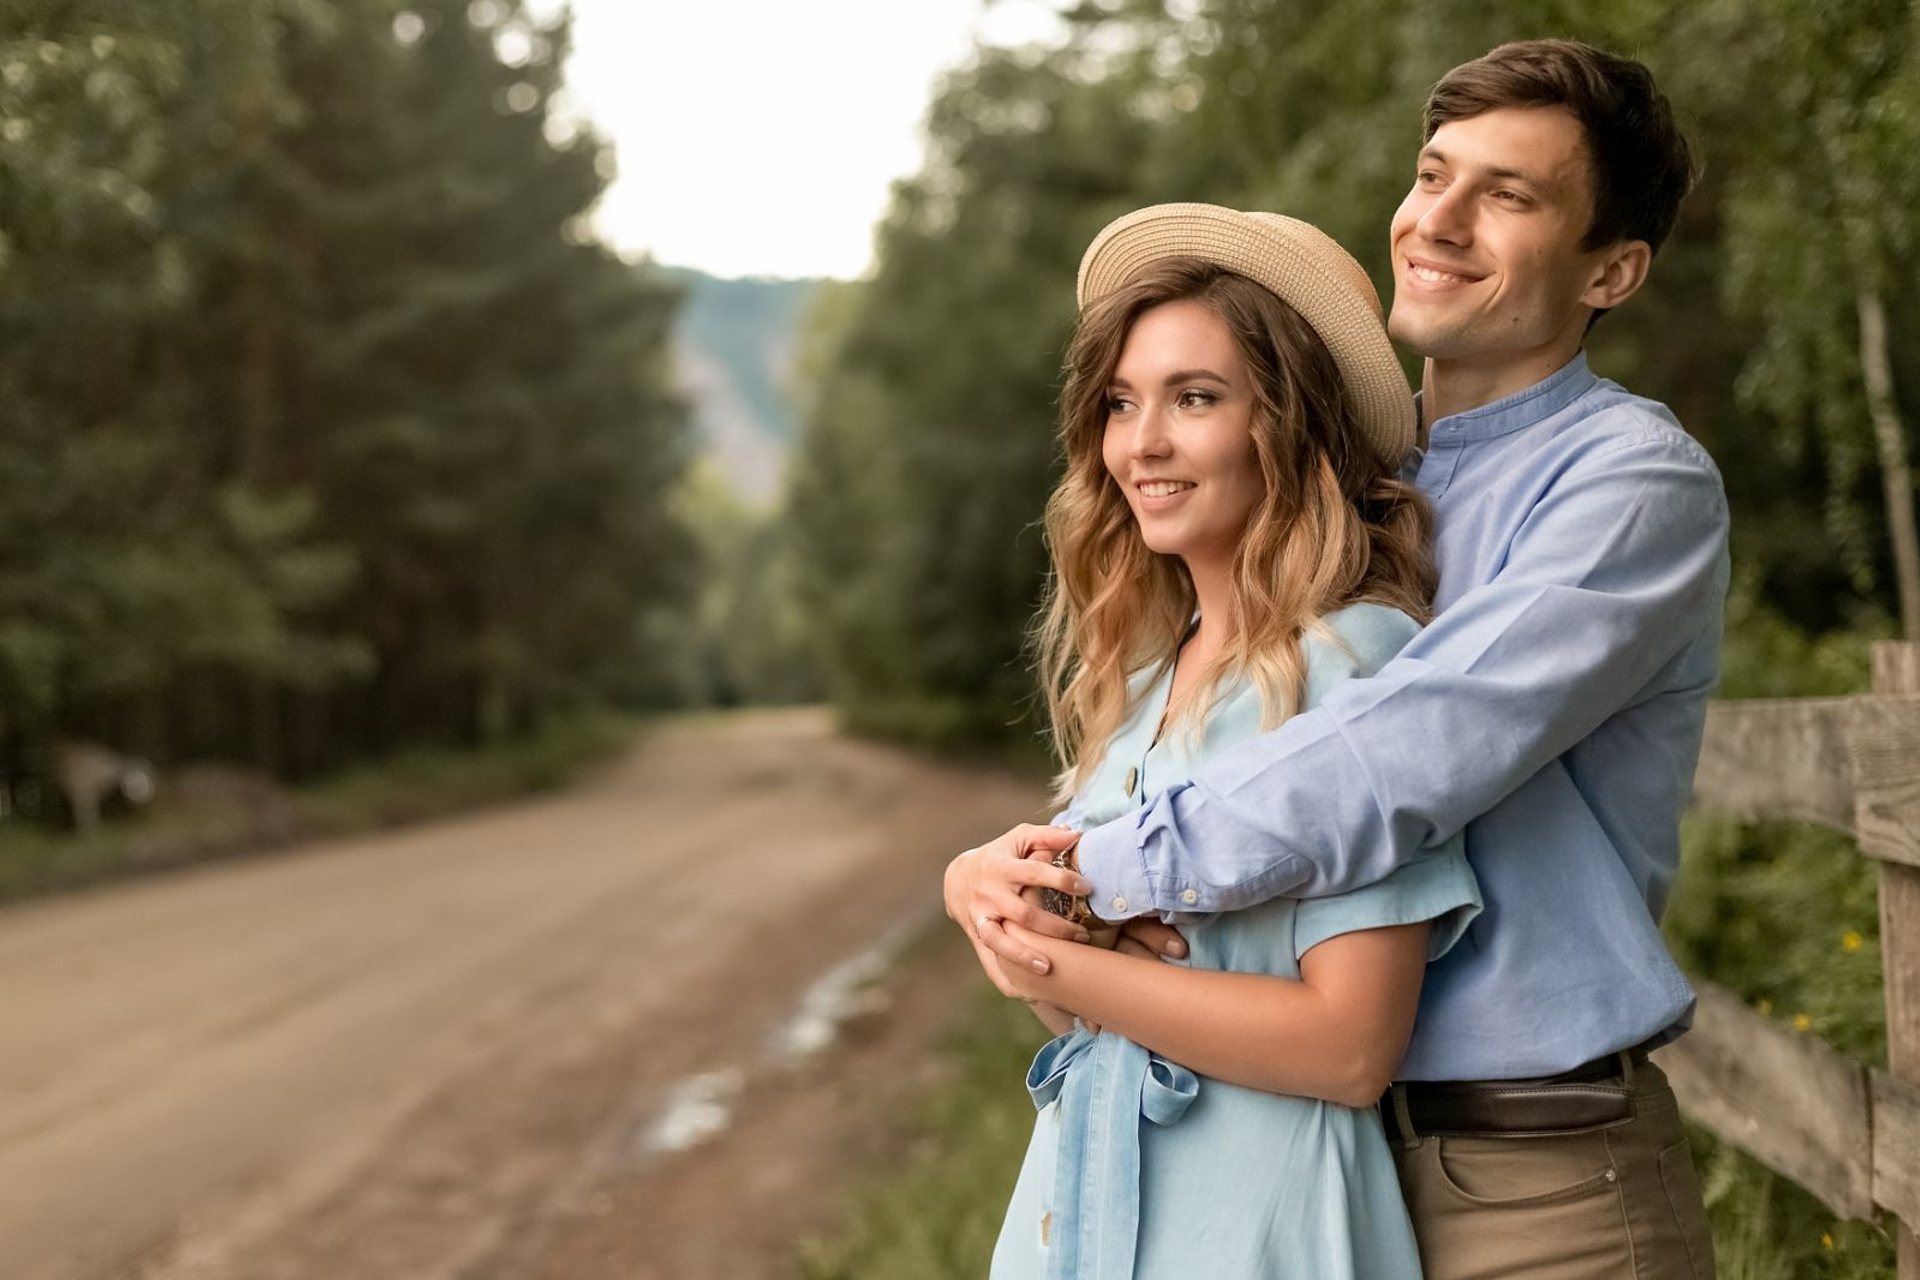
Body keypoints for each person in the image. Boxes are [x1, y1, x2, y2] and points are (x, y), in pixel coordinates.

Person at [946, 39, 1725, 1280]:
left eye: (1508, 195)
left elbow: (1415, 744)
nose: (1440, 220)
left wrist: (1095, 871)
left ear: (1612, 269)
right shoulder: (1339, 491)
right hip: (1302, 1155)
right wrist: (1002, 881)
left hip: (1533, 1179)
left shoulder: (1628, 482)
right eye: (1434, 174)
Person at [984, 204, 1481, 1280]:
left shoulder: (1351, 661)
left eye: (1195, 397)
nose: (1143, 444)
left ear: (1288, 424)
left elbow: (1350, 1046)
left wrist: (1045, 950)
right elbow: (1071, 1006)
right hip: (1081, 1215)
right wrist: (997, 905)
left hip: (1259, 1224)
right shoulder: (1140, 683)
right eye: (1121, 403)